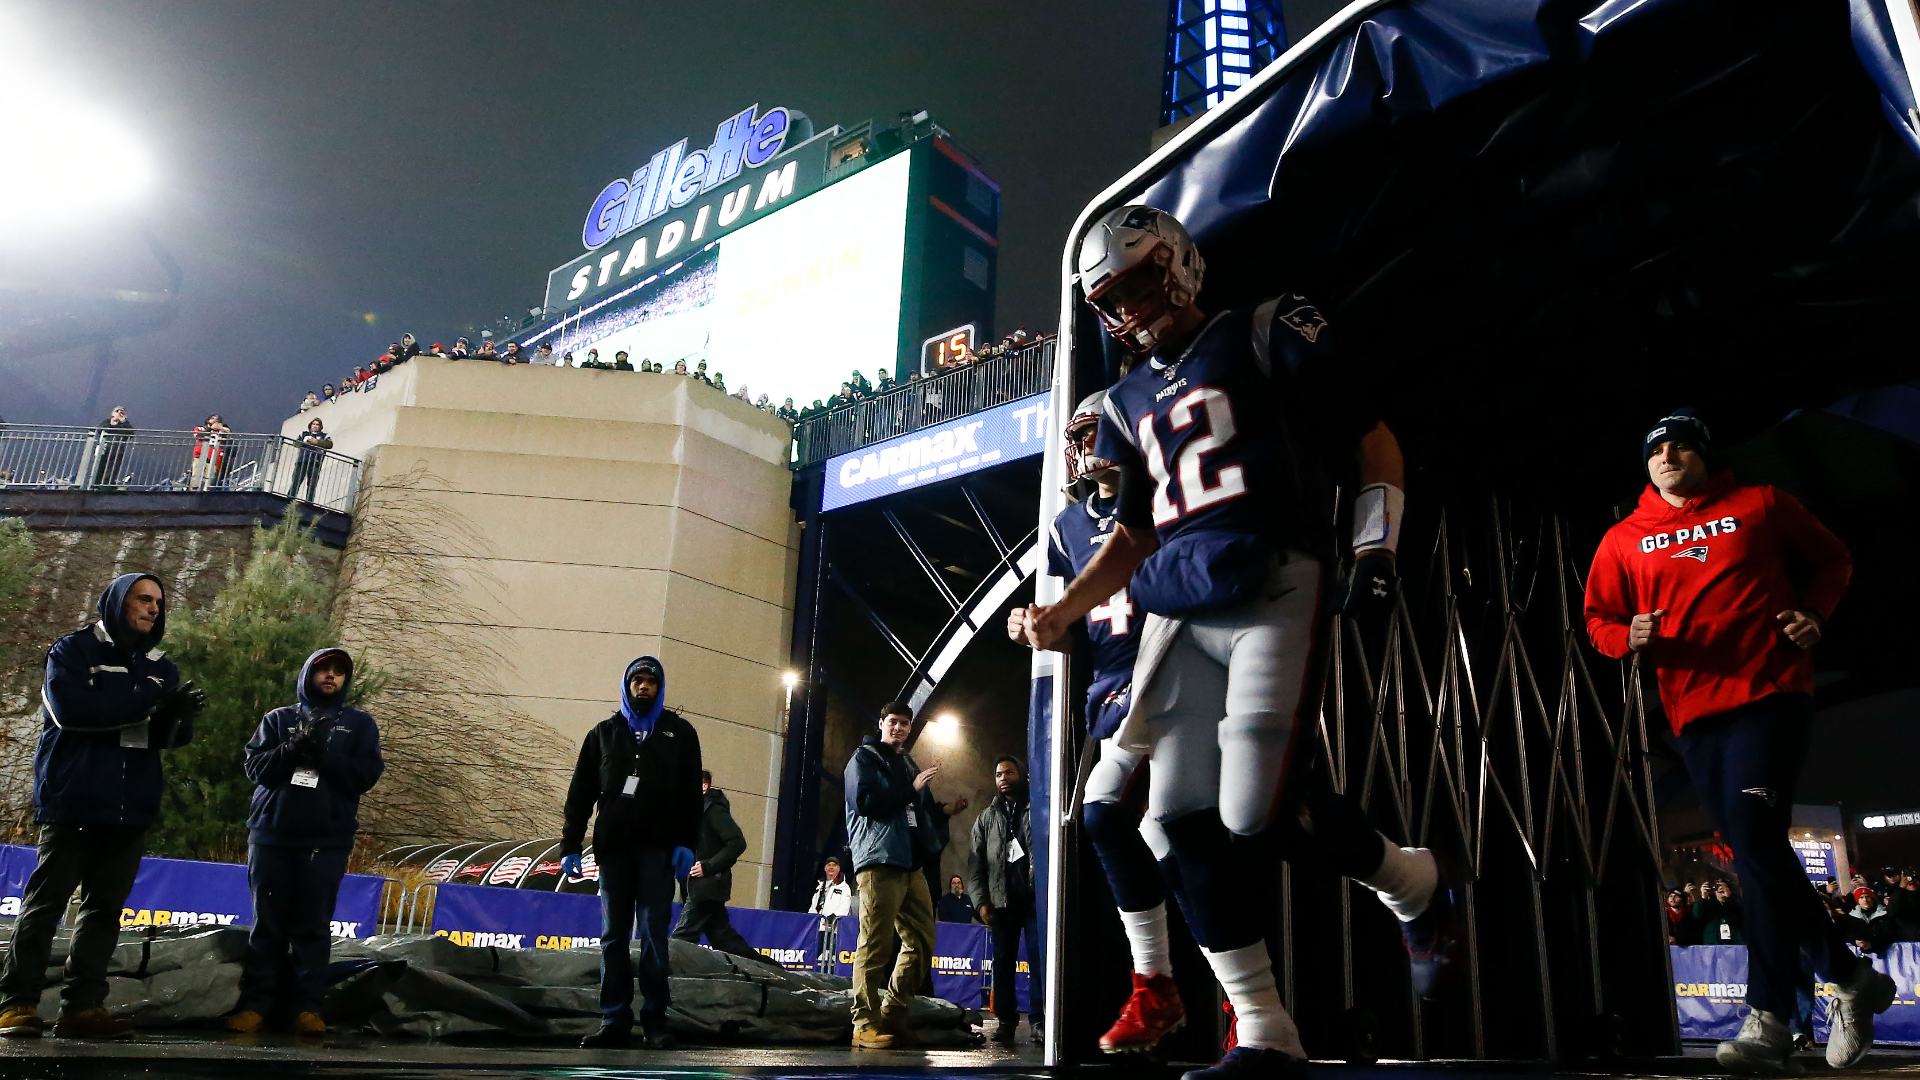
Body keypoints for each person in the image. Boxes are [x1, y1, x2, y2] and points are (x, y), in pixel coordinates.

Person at [1013, 206, 1447, 1080]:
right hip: (1181, 603)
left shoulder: (1262, 328)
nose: (1131, 308)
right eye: (1113, 299)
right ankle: (1264, 1030)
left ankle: (1410, 882)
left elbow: (1370, 435)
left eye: (1139, 283)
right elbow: (1133, 537)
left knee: (1251, 811)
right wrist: (1063, 614)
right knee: (1172, 824)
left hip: (1273, 573)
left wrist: (1376, 543)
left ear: (1179, 262)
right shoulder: (1129, 398)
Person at [1585, 408, 1891, 1072]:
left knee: (1751, 836)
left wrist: (1813, 615)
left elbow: (1833, 558)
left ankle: (1772, 1019)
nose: (1666, 455)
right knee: (1755, 858)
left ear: (1705, 455)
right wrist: (1625, 636)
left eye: (1680, 445)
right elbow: (1599, 619)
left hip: (1769, 691)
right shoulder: (1623, 538)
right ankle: (1846, 977)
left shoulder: (1760, 504)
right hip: (1690, 713)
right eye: (1655, 449)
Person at [1017, 389, 1185, 1054]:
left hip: (1180, 671)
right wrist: (1040, 628)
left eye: (1098, 434)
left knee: (1208, 834)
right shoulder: (1064, 525)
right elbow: (1079, 629)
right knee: (1126, 824)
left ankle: (1222, 999)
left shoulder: (1170, 498)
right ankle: (1194, 993)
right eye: (1081, 436)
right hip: (1115, 692)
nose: (1087, 450)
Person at [0, 574, 203, 1038]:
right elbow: (71, 713)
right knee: (45, 905)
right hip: (74, 801)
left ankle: (83, 1008)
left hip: (130, 808)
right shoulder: (72, 651)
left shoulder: (161, 666)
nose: (152, 608)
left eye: (158, 601)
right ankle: (17, 1003)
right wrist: (149, 701)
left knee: (105, 910)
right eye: (142, 599)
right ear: (117, 602)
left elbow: (168, 740)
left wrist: (176, 716)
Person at [226, 648, 383, 1036]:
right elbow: (256, 769)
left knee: (313, 927)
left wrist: (325, 756)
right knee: (268, 925)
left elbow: (366, 775)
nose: (330, 677)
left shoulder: (360, 725)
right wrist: (292, 748)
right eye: (323, 670)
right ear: (307, 675)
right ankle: (257, 1005)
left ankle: (307, 1008)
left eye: (338, 672)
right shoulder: (277, 719)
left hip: (326, 840)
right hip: (272, 836)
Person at [560, 656, 702, 1049]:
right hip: (614, 852)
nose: (643, 687)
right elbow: (580, 795)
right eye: (637, 681)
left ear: (660, 688)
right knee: (613, 937)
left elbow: (691, 796)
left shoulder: (680, 733)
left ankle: (656, 1020)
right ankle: (614, 1020)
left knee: (655, 937)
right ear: (626, 686)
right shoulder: (603, 734)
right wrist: (571, 845)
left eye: (650, 682)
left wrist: (687, 843)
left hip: (659, 853)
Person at [843, 701, 944, 1049]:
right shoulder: (863, 759)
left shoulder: (906, 763)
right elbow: (865, 803)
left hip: (909, 862)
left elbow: (918, 811)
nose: (899, 728)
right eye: (893, 722)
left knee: (922, 939)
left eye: (905, 723)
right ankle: (863, 1024)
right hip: (879, 859)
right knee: (874, 945)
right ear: (881, 723)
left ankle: (893, 1011)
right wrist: (910, 789)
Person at [968, 757, 1043, 1044]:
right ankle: (1006, 1022)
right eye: (998, 773)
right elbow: (975, 866)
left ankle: (1039, 1021)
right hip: (1001, 903)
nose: (1003, 777)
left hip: (1035, 901)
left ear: (1022, 775)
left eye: (1009, 772)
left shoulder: (1038, 809)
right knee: (1002, 964)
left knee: (1039, 962)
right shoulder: (986, 818)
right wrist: (981, 903)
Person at [671, 770, 756, 959]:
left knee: (680, 940)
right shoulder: (693, 813)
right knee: (724, 938)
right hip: (699, 886)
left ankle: (659, 978)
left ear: (704, 786)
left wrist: (708, 866)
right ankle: (769, 972)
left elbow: (737, 842)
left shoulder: (713, 810)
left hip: (705, 887)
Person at [809, 856, 855, 973]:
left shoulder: (844, 888)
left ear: (838, 868)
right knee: (813, 955)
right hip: (819, 929)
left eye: (834, 865)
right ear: (825, 868)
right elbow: (814, 905)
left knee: (833, 957)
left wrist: (834, 918)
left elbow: (845, 906)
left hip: (833, 930)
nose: (831, 867)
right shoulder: (820, 886)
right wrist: (810, 919)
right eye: (829, 865)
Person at [90, 406, 135, 488]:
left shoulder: (126, 425)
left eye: (122, 412)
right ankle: (95, 485)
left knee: (112, 470)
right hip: (104, 449)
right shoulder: (107, 422)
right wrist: (112, 423)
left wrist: (123, 422)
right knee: (99, 468)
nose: (119, 413)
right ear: (112, 413)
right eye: (117, 411)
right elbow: (101, 429)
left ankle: (106, 486)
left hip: (117, 451)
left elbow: (130, 433)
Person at [291, 418, 332, 504]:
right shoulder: (304, 434)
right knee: (296, 482)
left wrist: (317, 442)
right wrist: (305, 442)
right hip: (302, 461)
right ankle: (290, 500)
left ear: (320, 427)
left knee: (312, 484)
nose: (315, 426)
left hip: (315, 462)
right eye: (313, 424)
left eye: (317, 424)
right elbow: (295, 443)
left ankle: (309, 503)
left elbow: (329, 444)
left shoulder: (324, 436)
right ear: (310, 425)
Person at [1695, 880, 1744, 945]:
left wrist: (1729, 897)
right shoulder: (1708, 905)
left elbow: (1739, 916)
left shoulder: (1736, 903)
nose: (1720, 889)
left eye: (1723, 887)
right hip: (1714, 944)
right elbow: (1698, 915)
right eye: (1717, 887)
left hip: (1734, 943)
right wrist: (1703, 897)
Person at [190, 414, 230, 491]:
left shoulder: (221, 430)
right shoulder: (200, 428)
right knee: (196, 476)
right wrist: (210, 429)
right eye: (213, 418)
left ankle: (206, 491)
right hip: (200, 456)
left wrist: (221, 428)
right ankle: (194, 490)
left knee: (210, 477)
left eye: (217, 419)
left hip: (214, 458)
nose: (215, 420)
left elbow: (228, 435)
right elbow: (198, 435)